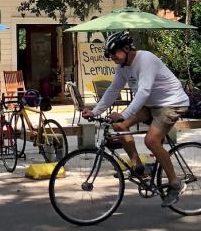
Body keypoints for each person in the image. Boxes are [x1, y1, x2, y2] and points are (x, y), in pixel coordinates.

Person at [81, 30, 189, 207]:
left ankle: (175, 183)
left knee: (151, 140)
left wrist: (124, 113)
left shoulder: (145, 60)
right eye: (109, 55)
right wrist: (95, 111)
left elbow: (144, 91)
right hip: (152, 104)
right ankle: (138, 167)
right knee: (120, 125)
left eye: (113, 53)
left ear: (126, 48)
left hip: (172, 103)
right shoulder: (123, 67)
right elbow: (112, 90)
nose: (112, 58)